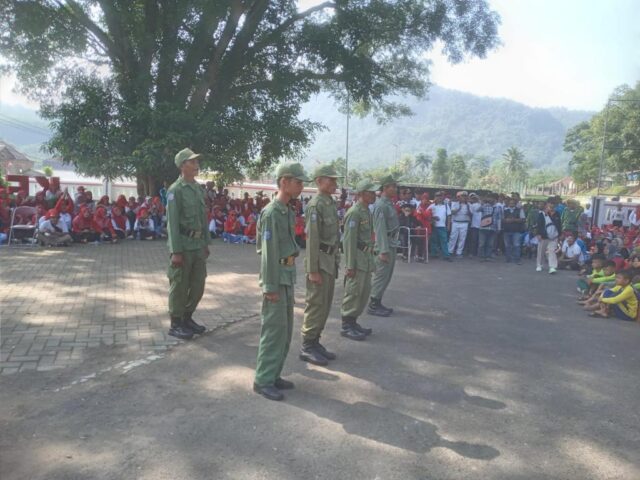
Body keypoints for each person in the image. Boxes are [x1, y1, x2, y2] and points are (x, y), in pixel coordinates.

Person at [254, 162, 309, 401]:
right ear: (284, 182)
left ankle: (273, 374)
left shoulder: (287, 211)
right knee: (274, 331)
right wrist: (269, 287)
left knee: (285, 331)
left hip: (286, 276)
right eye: (298, 182)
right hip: (276, 278)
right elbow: (268, 252)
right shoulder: (271, 213)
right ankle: (263, 380)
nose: (301, 186)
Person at [300, 164, 343, 366]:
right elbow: (312, 240)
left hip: (329, 260)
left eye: (335, 180)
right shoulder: (316, 204)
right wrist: (312, 270)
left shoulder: (329, 203)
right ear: (319, 181)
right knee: (316, 304)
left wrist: (335, 260)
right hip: (319, 262)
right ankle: (307, 346)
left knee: (325, 305)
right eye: (331, 179)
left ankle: (316, 342)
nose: (334, 183)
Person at [166, 148, 210, 341]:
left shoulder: (197, 188)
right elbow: (172, 223)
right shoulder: (175, 190)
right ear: (183, 165)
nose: (196, 164)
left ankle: (187, 317)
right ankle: (176, 323)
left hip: (198, 245)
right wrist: (175, 251)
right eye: (192, 162)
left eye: (196, 161)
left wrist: (206, 242)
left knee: (198, 284)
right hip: (183, 245)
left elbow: (203, 217)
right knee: (180, 286)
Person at [341, 180, 378, 340]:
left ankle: (353, 322)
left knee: (363, 293)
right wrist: (350, 265)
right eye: (371, 192)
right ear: (362, 194)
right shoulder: (354, 212)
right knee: (354, 292)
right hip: (357, 260)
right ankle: (346, 325)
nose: (374, 195)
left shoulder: (366, 211)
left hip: (366, 259)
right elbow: (348, 241)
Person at [368, 175, 400, 317]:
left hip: (391, 243)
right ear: (385, 188)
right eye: (393, 186)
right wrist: (383, 251)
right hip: (385, 245)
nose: (396, 189)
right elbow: (380, 229)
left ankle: (378, 301)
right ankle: (373, 305)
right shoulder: (381, 205)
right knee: (381, 276)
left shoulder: (388, 203)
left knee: (386, 276)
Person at [536, 201, 562, 274]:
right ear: (547, 205)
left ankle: (552, 267)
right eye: (549, 205)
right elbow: (539, 225)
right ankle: (539, 265)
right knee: (541, 251)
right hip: (544, 236)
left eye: (553, 205)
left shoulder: (557, 214)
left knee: (552, 251)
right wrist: (538, 234)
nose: (551, 206)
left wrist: (560, 234)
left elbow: (559, 224)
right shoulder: (541, 214)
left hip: (554, 236)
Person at [427, 191, 452, 261]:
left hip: (442, 226)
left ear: (443, 197)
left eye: (440, 196)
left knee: (444, 241)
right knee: (433, 241)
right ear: (435, 197)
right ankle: (434, 254)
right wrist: (433, 218)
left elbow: (449, 216)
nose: (439, 197)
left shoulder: (446, 205)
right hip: (434, 226)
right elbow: (426, 215)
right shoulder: (432, 206)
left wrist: (448, 225)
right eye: (437, 196)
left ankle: (446, 255)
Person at [478, 194, 501, 261]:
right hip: (483, 227)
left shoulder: (498, 207)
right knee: (481, 243)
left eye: (491, 198)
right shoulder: (484, 206)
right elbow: (477, 210)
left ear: (494, 199)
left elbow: (499, 219)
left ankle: (488, 256)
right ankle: (482, 256)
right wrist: (483, 202)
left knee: (490, 244)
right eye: (489, 198)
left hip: (493, 228)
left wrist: (499, 228)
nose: (490, 199)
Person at [448, 191, 471, 258]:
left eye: (465, 196)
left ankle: (459, 252)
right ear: (459, 197)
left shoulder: (469, 204)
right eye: (462, 196)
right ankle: (450, 251)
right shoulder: (455, 203)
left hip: (464, 223)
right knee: (453, 237)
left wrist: (468, 208)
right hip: (456, 222)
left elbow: (471, 214)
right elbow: (452, 212)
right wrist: (459, 208)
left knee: (462, 238)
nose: (463, 198)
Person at [502, 197, 525, 264]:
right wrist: (506, 220)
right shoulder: (505, 210)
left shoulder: (519, 210)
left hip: (516, 230)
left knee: (516, 245)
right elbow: (502, 219)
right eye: (510, 203)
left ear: (515, 203)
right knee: (507, 245)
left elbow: (523, 219)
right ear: (508, 203)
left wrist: (514, 220)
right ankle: (508, 258)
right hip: (506, 230)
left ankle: (517, 259)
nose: (511, 204)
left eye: (513, 203)